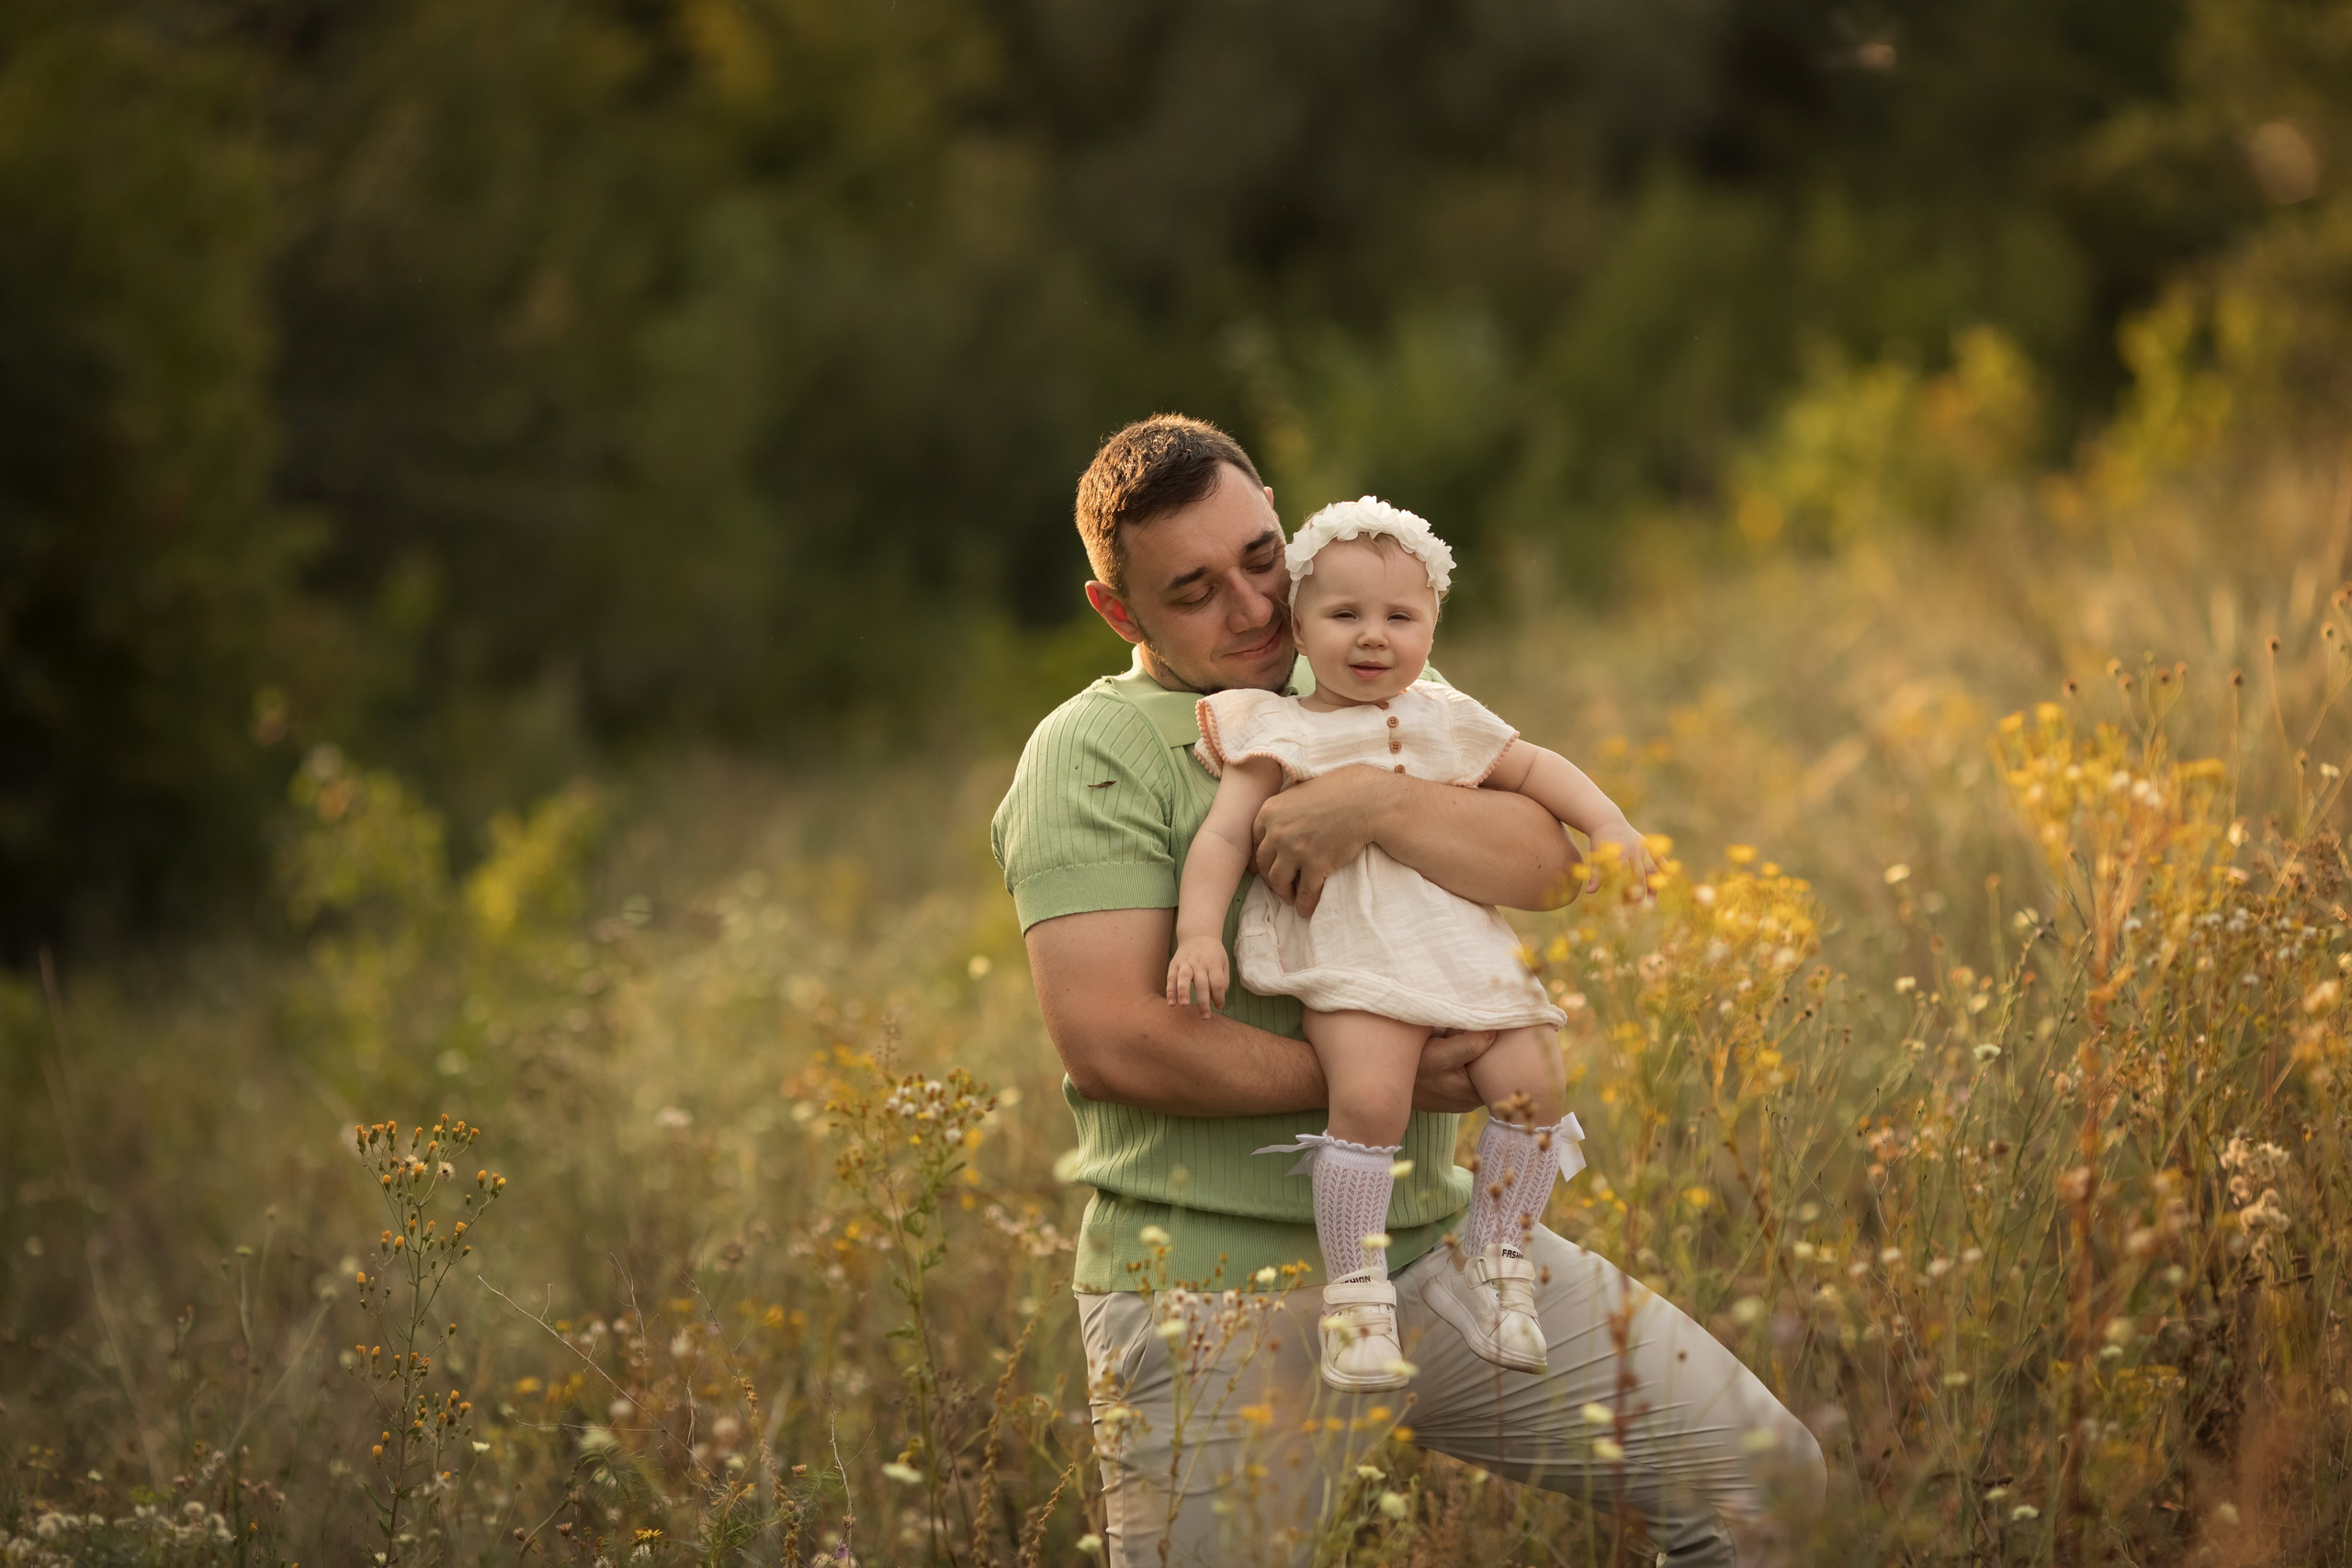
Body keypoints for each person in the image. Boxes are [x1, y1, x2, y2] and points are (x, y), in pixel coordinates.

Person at [991, 415, 1825, 1566]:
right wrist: (1393, 1078)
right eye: (1193, 591)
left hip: (1449, 1258)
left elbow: (1548, 865)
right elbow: (1118, 1044)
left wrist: (1374, 805)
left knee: (1769, 1490)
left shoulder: (1359, 659)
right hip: (1219, 1299)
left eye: (1259, 557)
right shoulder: (1086, 756)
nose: (1251, 607)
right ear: (1119, 611)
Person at [1165, 494, 1652, 1391]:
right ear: (1299, 629)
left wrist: (1612, 826)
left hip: (1457, 944)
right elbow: (1225, 837)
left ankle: (1495, 1257)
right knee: (1371, 1098)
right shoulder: (1276, 727)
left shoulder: (1443, 716)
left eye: (1400, 617)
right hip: (1350, 952)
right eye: (1344, 615)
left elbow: (1536, 770)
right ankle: (1356, 1299)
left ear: (1432, 627)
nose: (1372, 638)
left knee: (1535, 1080)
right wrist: (1200, 933)